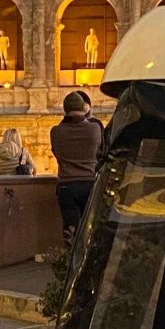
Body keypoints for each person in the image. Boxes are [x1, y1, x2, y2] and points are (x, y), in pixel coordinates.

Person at [50, 90, 105, 242]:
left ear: (65, 110)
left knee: (71, 230)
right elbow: (101, 151)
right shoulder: (94, 128)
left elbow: (56, 152)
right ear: (83, 109)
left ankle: (70, 260)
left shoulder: (56, 132)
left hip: (67, 185)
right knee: (92, 228)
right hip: (90, 183)